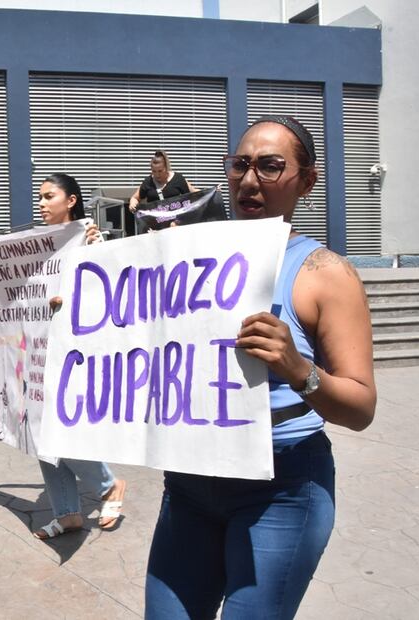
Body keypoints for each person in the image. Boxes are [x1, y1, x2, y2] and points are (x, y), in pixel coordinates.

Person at [144, 116, 377, 618]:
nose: (250, 181)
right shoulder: (189, 259)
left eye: (271, 167)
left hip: (283, 488)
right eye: (241, 165)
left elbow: (360, 407)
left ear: (307, 180)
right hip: (189, 483)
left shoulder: (326, 275)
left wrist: (298, 368)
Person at [33, 173, 127, 540]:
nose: (41, 203)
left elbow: (104, 288)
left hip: (76, 350)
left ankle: (107, 484)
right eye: (39, 197)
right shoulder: (37, 243)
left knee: (53, 430)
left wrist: (68, 299)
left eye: (48, 196)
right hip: (40, 346)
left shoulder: (89, 239)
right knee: (38, 431)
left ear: (71, 201)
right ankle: (69, 513)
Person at [128, 150, 198, 233]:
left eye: (160, 171)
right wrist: (132, 203)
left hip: (176, 227)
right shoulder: (148, 182)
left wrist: (213, 192)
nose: (157, 175)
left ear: (166, 168)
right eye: (154, 171)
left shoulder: (178, 179)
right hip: (155, 229)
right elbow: (135, 198)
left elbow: (193, 196)